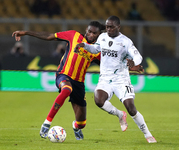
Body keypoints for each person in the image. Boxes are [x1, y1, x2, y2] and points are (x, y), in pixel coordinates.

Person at [12, 21, 143, 140]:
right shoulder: (73, 35)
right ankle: (46, 123)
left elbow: (113, 65)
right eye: (89, 31)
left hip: (79, 83)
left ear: (99, 35)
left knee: (82, 123)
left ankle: (76, 127)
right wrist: (26, 33)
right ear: (86, 30)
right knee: (66, 89)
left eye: (94, 33)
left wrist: (134, 67)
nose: (90, 34)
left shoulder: (98, 50)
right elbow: (49, 36)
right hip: (63, 75)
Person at [74, 16, 157, 143]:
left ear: (118, 27)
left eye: (111, 27)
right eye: (107, 26)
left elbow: (138, 56)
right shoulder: (102, 37)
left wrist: (133, 62)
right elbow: (96, 49)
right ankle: (119, 115)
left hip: (121, 80)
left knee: (131, 108)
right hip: (105, 79)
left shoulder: (125, 41)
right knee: (98, 100)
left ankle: (147, 134)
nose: (108, 29)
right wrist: (84, 45)